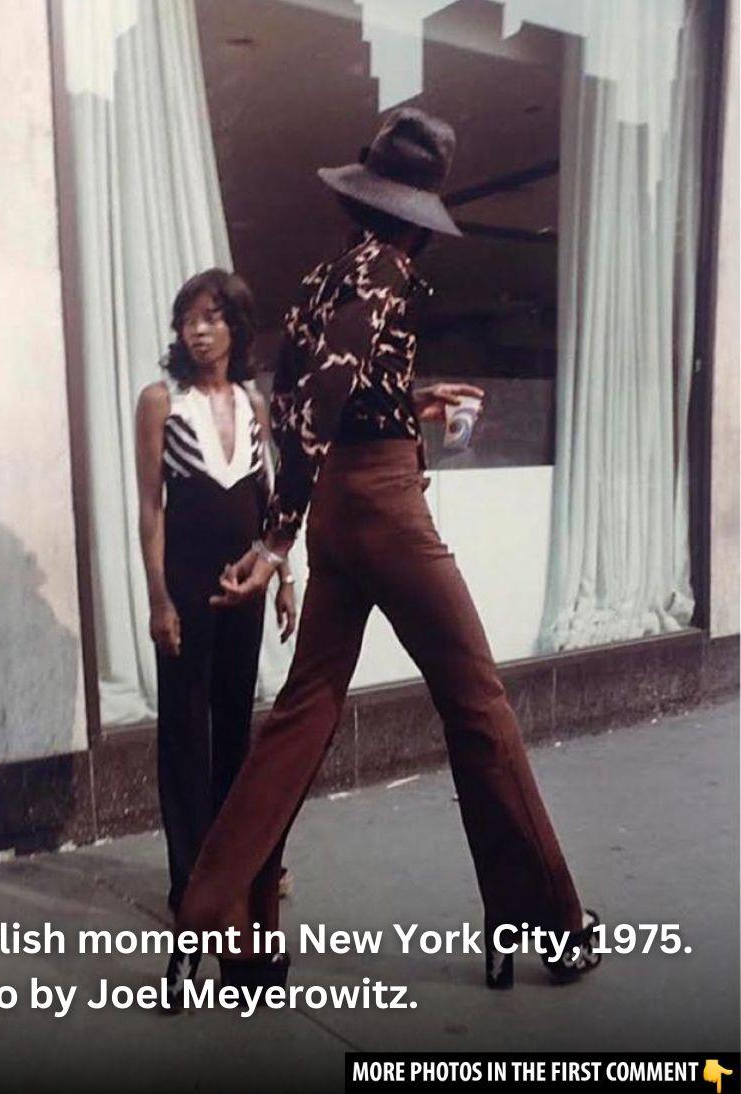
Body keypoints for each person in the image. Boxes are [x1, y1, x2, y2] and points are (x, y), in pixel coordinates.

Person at [177, 109, 600, 993]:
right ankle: (553, 921)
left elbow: (306, 394)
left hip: (342, 508)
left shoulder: (327, 275)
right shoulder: (387, 269)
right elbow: (323, 398)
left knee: (304, 710)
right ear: (415, 214)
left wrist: (411, 402)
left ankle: (216, 908)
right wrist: (274, 537)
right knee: (478, 705)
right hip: (382, 510)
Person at [134, 269, 297, 999]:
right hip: (188, 582)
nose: (197, 331)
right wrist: (158, 598)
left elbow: (270, 504)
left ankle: (231, 873)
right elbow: (151, 507)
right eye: (187, 319)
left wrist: (284, 578)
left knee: (235, 725)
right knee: (183, 729)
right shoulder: (161, 401)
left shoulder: (255, 404)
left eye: (210, 317)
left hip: (244, 584)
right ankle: (187, 884)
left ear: (235, 325)